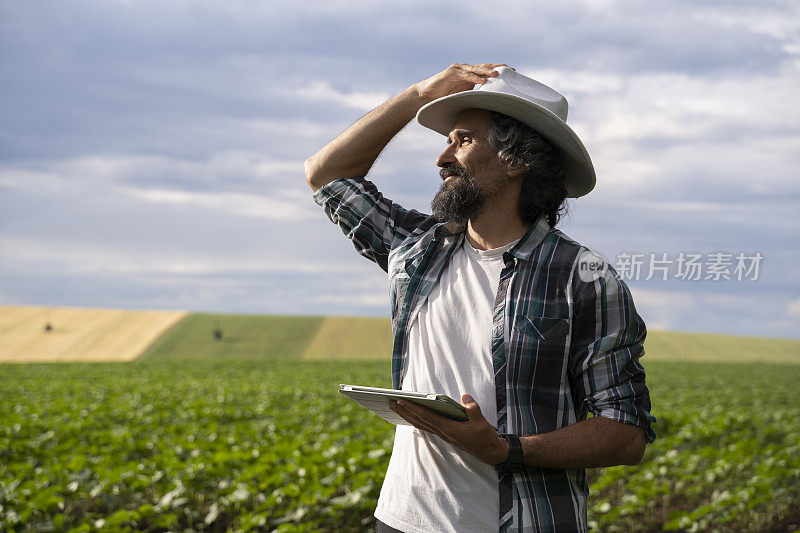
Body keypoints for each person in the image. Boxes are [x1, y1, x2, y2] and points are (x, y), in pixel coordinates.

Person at [305, 63, 656, 533]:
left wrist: (506, 449)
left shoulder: (583, 277)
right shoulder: (418, 248)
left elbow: (626, 433)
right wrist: (417, 95)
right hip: (400, 519)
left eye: (463, 140)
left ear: (517, 160)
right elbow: (326, 174)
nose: (442, 158)